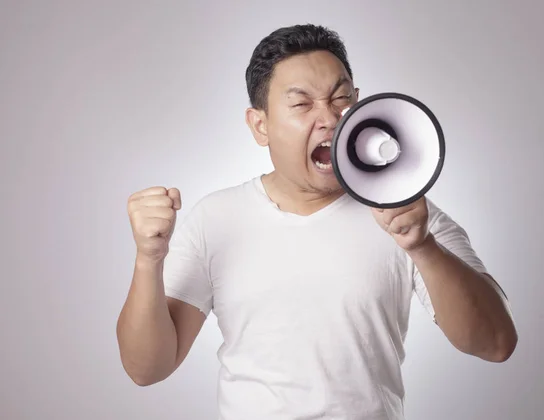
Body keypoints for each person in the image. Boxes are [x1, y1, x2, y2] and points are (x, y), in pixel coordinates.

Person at [116, 24, 518, 420]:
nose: (330, 119)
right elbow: (147, 368)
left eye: (341, 99)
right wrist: (148, 259)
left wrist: (422, 247)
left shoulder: (408, 213)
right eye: (302, 104)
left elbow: (496, 343)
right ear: (261, 125)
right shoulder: (216, 218)